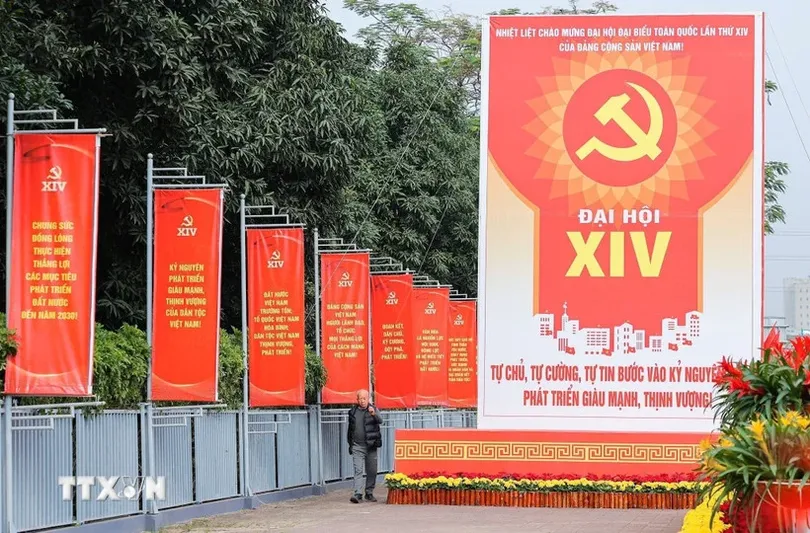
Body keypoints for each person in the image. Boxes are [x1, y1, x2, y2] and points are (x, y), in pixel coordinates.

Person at [346, 389, 382, 503]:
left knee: (372, 470)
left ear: (368, 399)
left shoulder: (373, 409)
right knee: (358, 470)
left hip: (371, 445)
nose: (362, 401)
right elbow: (350, 429)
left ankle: (369, 492)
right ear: (357, 400)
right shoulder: (353, 412)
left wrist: (373, 414)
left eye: (364, 398)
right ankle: (358, 493)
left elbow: (380, 421)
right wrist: (350, 443)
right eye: (360, 398)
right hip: (357, 446)